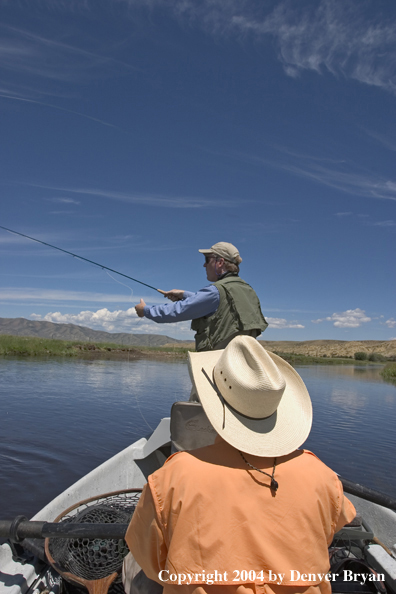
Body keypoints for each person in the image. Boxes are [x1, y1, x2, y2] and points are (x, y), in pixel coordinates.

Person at [124, 335, 356, 594]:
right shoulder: (322, 477)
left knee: (132, 566)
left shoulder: (173, 476)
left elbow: (153, 565)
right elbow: (331, 531)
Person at [134, 242, 268, 352]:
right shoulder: (247, 290)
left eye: (207, 260)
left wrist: (145, 310)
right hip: (240, 364)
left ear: (220, 262)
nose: (204, 265)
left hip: (217, 365)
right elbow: (220, 303)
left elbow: (177, 311)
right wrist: (183, 294)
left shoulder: (215, 291)